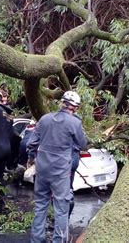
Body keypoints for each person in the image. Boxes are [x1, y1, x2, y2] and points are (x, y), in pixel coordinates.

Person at [27, 91, 87, 243]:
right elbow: (83, 144)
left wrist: (32, 159)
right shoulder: (74, 123)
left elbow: (31, 144)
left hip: (42, 170)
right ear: (75, 108)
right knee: (61, 208)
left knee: (41, 205)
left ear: (62, 103)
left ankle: (36, 239)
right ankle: (58, 240)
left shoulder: (45, 119)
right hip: (60, 173)